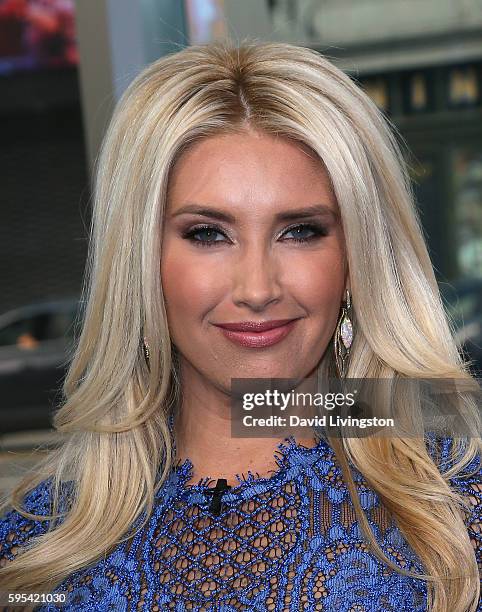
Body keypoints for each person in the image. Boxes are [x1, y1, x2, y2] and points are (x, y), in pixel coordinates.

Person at [0, 39, 480, 612]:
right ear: (142, 263)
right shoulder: (39, 545)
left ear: (357, 258)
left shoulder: (454, 503)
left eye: (300, 230)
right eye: (208, 234)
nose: (257, 289)